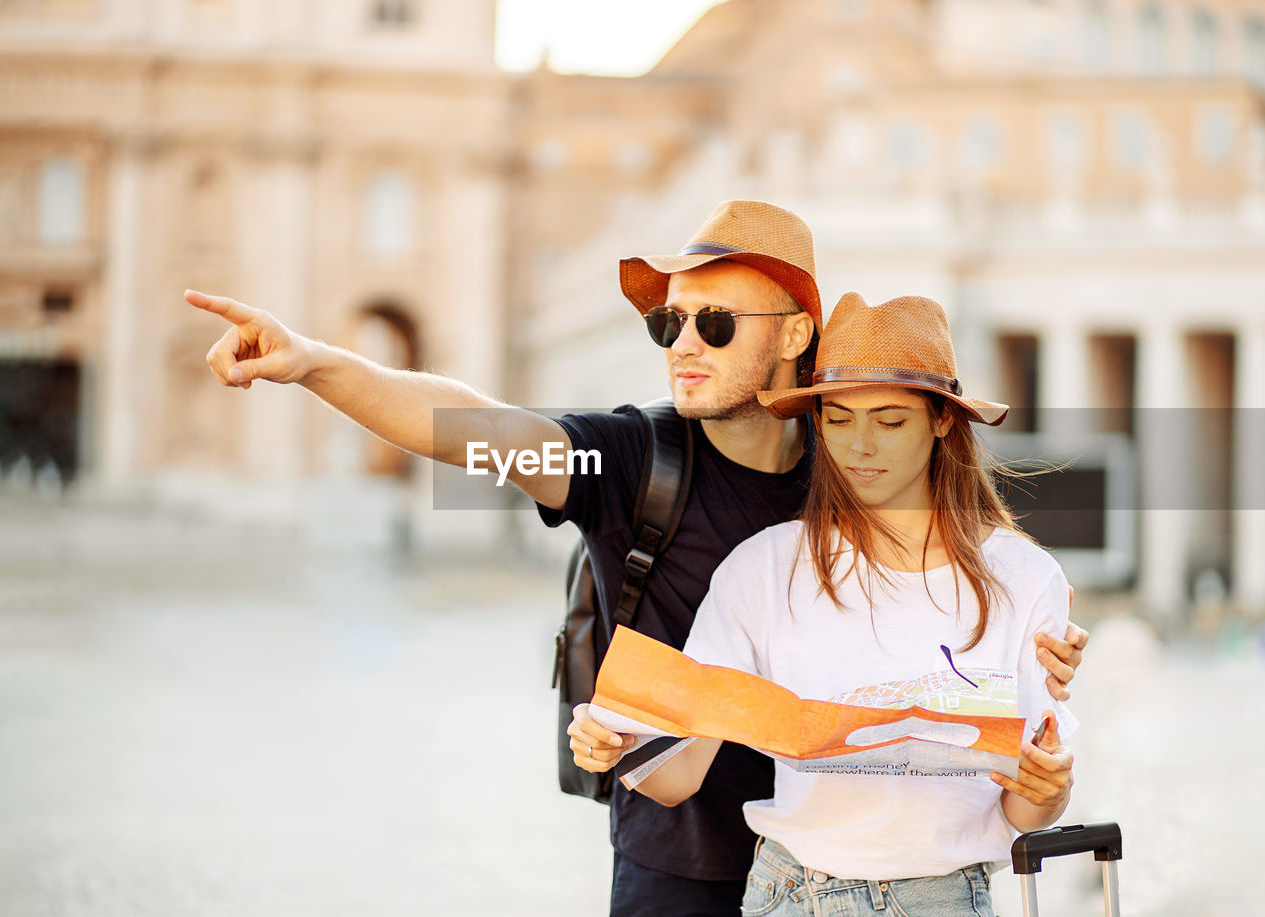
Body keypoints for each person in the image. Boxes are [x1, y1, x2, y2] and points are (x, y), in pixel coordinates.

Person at [187, 201, 1088, 917]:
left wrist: (1043, 642)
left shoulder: (852, 454)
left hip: (855, 853)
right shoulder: (628, 460)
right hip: (677, 859)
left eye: (716, 322)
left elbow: (966, 572)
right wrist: (313, 363)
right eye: (670, 323)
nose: (684, 343)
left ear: (794, 333)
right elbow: (474, 431)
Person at [572, 292, 1076, 917]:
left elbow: (1025, 807)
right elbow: (678, 776)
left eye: (890, 421)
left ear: (943, 420)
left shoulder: (1027, 579)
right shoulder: (765, 567)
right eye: (837, 419)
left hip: (942, 897)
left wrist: (1049, 792)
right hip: (788, 893)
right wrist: (615, 739)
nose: (859, 446)